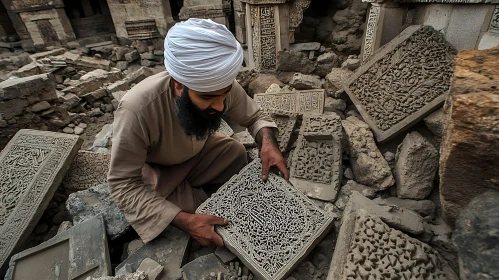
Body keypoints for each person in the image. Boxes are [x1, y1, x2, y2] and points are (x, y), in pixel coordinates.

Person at [108, 18, 288, 247]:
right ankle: (194, 203)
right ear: (178, 85)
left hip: (196, 155)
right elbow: (123, 183)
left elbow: (255, 117)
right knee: (195, 212)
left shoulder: (218, 86)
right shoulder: (137, 108)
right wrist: (186, 222)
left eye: (223, 95)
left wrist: (268, 144)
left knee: (234, 151)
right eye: (207, 98)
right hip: (158, 172)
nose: (220, 106)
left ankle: (197, 196)